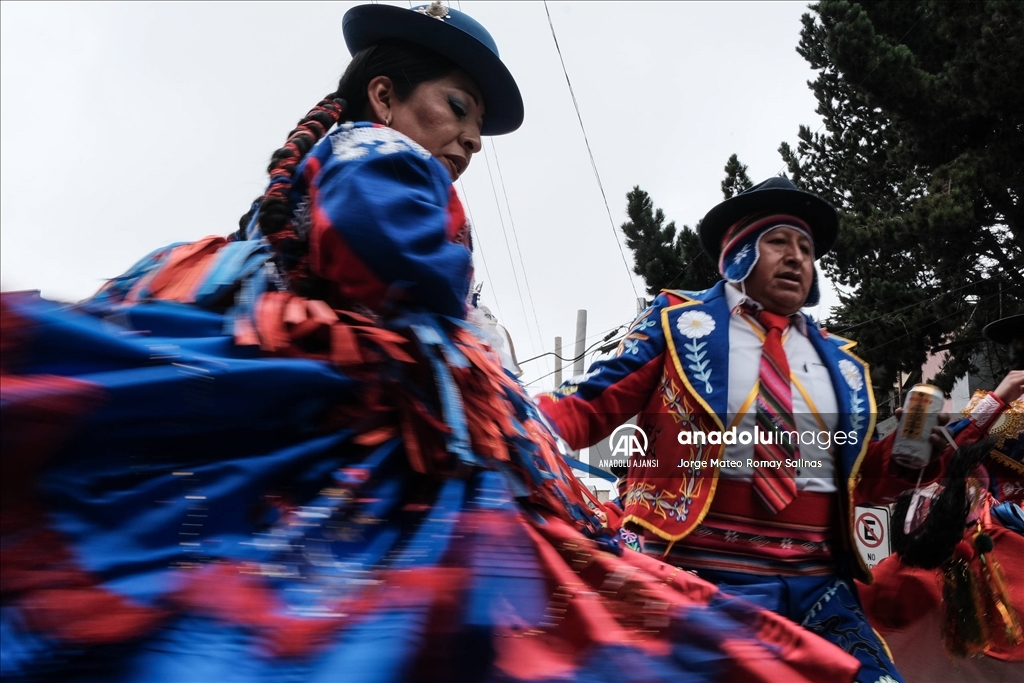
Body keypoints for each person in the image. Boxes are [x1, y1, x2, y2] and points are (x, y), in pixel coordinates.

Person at [0, 5, 861, 682]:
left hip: (824, 577)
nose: (473, 140)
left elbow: (854, 467)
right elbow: (549, 381)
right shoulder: (388, 168)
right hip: (391, 471)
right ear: (384, 97)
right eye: (457, 107)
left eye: (807, 247)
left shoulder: (843, 365)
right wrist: (517, 422)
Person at [536, 176, 1018, 683]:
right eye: (779, 242)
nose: (796, 257)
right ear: (737, 251)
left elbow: (852, 481)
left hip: (815, 588)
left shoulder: (838, 363)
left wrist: (907, 459)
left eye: (806, 248)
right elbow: (585, 406)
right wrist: (504, 422)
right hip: (694, 575)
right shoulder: (678, 323)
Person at [858, 311, 1024, 681]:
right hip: (984, 541)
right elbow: (946, 453)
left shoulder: (995, 408)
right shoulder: (999, 408)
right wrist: (998, 400)